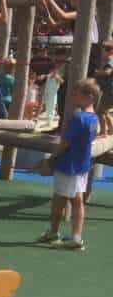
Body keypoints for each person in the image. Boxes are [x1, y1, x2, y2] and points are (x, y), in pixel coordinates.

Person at [35, 79, 100, 250]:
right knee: (72, 200)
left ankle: (72, 237)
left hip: (68, 165)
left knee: (64, 201)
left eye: (76, 94)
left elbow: (65, 143)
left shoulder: (78, 117)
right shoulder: (94, 118)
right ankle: (59, 233)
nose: (72, 96)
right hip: (81, 165)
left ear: (89, 97)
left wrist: (49, 160)